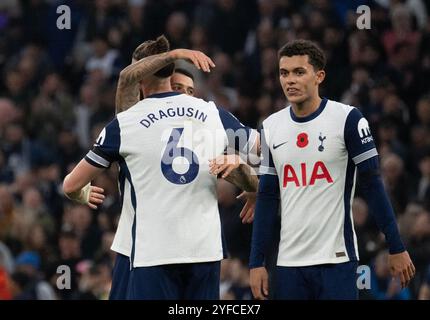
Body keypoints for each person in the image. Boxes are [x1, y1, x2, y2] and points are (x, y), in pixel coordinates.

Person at [63, 35, 259, 300]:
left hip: (152, 251)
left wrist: (83, 194)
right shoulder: (214, 113)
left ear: (139, 77)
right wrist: (255, 184)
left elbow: (71, 185)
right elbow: (269, 148)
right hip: (205, 250)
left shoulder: (125, 124)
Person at [249, 39, 415, 300]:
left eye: (299, 72)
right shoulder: (271, 126)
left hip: (337, 261)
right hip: (289, 265)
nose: (289, 80)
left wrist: (395, 245)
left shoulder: (347, 119)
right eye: (284, 73)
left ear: (319, 76)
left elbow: (372, 184)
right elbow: (268, 196)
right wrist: (256, 261)